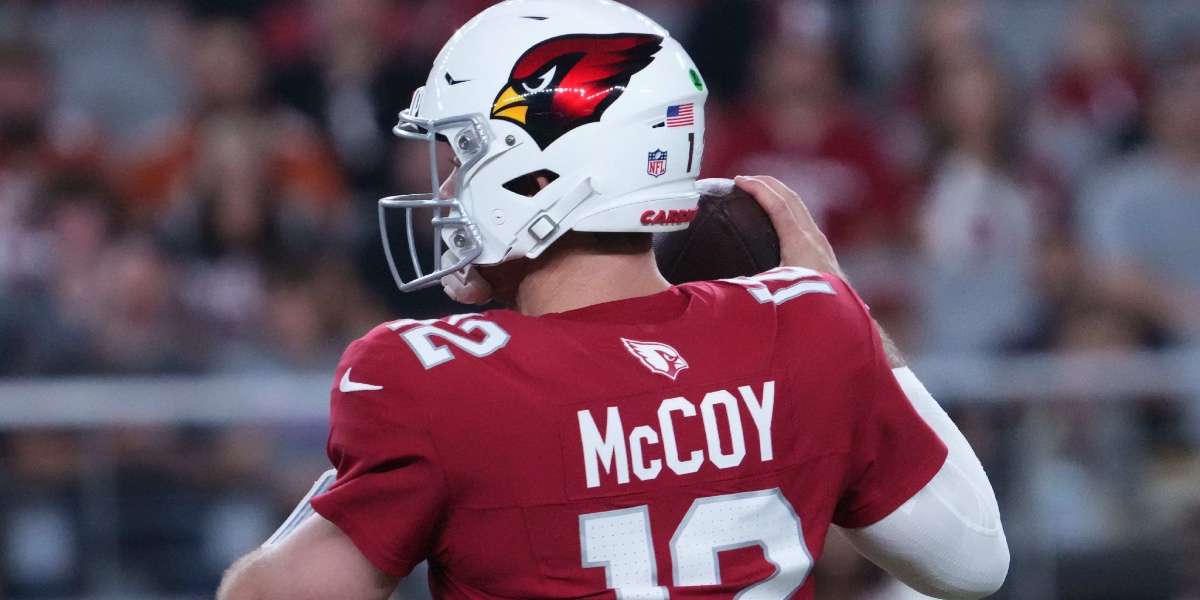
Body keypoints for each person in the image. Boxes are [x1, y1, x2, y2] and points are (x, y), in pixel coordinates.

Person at [218, 2, 1008, 599]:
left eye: (464, 154)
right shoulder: (808, 327)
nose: (448, 189)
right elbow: (974, 561)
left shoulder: (430, 380)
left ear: (542, 170)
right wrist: (845, 305)